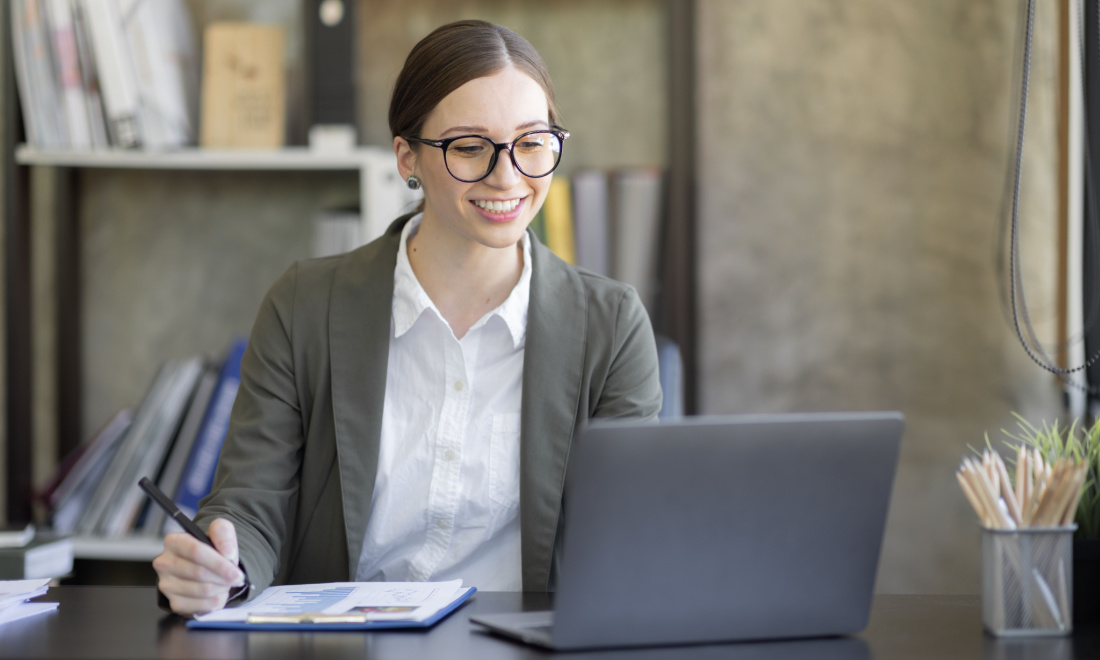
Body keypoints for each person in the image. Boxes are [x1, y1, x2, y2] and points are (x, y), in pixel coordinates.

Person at [152, 19, 662, 616]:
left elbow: (630, 535)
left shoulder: (611, 324)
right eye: (470, 146)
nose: (508, 176)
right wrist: (223, 569)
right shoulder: (305, 305)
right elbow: (249, 504)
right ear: (406, 157)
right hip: (341, 648)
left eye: (532, 142)